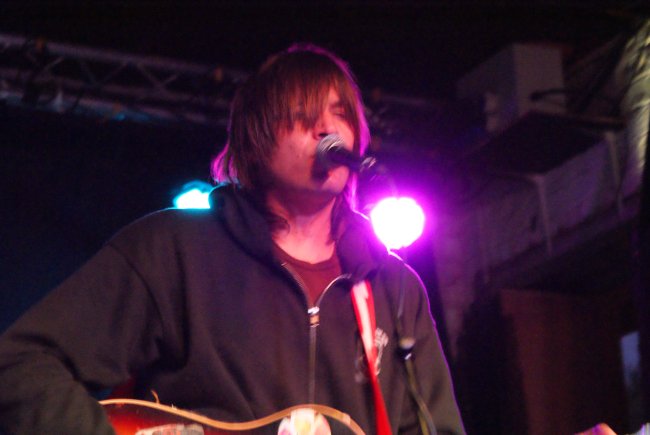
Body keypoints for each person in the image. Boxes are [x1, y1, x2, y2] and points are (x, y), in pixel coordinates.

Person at [0, 44, 465, 434]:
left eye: (340, 115)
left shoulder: (394, 288)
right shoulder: (172, 251)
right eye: (303, 116)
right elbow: (21, 363)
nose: (328, 130)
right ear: (257, 142)